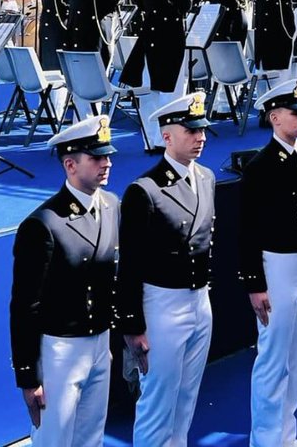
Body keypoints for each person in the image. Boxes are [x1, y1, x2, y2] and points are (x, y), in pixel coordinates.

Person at [10, 115, 119, 447]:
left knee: (91, 436)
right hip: (60, 348)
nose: (107, 163)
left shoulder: (111, 205)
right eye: (96, 157)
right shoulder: (43, 224)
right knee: (54, 438)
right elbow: (25, 305)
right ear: (70, 164)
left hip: (100, 341)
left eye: (107, 155)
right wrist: (28, 375)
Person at [119, 92, 215, 447]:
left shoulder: (206, 178)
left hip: (199, 300)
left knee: (187, 397)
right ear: (167, 135)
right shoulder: (144, 191)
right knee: (157, 402)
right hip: (161, 304)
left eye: (202, 129)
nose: (200, 137)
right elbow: (128, 266)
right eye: (190, 130)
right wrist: (132, 326)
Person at [239, 80, 297, 447]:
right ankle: (266, 438)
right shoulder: (260, 166)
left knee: (296, 353)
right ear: (274, 118)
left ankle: (286, 433)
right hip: (277, 266)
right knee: (273, 357)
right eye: (295, 112)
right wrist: (256, 283)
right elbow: (248, 228)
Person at [121, 0, 195, 143]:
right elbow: (184, 3)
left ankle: (152, 138)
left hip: (149, 30)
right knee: (171, 90)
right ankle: (170, 139)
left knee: (150, 89)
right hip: (170, 31)